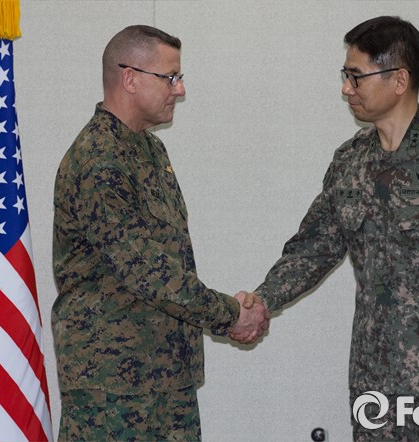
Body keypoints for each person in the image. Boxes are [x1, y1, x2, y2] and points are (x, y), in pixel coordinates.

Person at [249, 16, 419, 441]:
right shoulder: (350, 161)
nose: (346, 89)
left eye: (356, 76)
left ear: (399, 80)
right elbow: (313, 249)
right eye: (345, 76)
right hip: (374, 381)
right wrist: (262, 302)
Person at [51, 25, 269, 441]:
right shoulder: (99, 159)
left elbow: (167, 261)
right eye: (170, 77)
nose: (180, 89)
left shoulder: (149, 149)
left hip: (166, 377)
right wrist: (229, 314)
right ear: (130, 78)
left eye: (179, 77)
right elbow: (147, 271)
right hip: (113, 387)